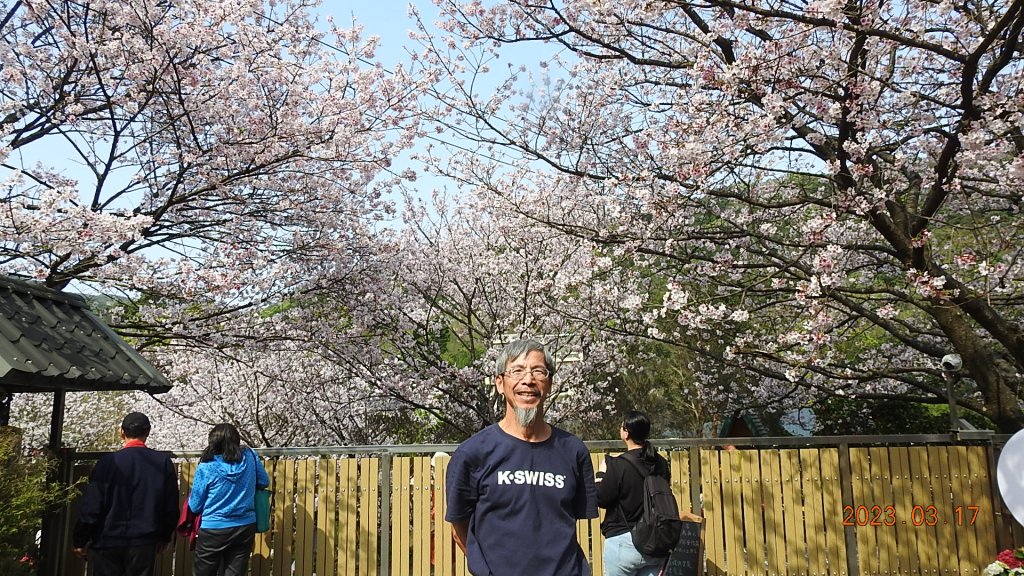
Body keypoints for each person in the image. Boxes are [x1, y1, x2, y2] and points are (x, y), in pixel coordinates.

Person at [445, 338, 598, 576]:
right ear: (499, 383)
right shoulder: (473, 453)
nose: (528, 380)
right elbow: (458, 527)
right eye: (517, 371)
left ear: (550, 383)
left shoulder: (573, 451)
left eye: (538, 371)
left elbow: (571, 521)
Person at [72, 412, 179, 576]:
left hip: (107, 540)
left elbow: (92, 506)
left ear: (121, 432)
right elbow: (170, 506)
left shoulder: (106, 463)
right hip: (143, 541)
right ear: (148, 431)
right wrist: (165, 536)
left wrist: (81, 539)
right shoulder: (162, 462)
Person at [595, 411, 672, 576]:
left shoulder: (617, 464)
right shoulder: (661, 464)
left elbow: (602, 499)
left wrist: (601, 475)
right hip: (655, 540)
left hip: (623, 539)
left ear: (626, 433)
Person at [187, 423, 270, 576]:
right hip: (245, 525)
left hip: (213, 527)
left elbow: (195, 505)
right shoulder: (250, 456)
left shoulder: (206, 467)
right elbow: (264, 481)